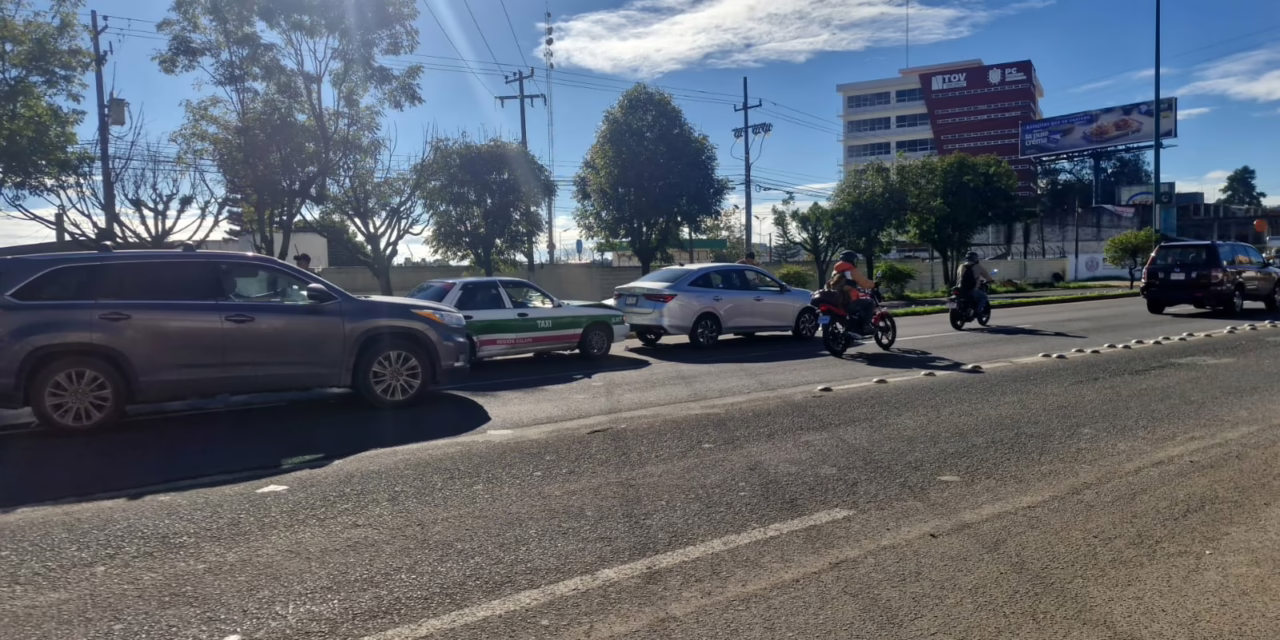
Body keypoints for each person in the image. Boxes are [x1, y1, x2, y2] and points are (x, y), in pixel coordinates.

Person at [828, 250, 876, 335]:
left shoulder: (835, 272)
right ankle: (866, 326)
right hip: (849, 300)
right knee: (870, 302)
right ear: (851, 259)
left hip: (838, 301)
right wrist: (874, 284)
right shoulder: (851, 270)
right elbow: (864, 283)